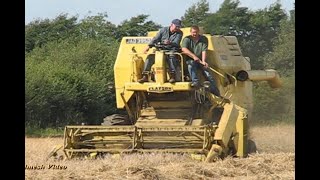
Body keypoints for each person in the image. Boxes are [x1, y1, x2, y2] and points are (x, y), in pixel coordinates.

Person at [138, 19, 183, 83]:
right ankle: (145, 76)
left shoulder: (180, 33)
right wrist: (148, 46)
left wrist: (169, 42)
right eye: (176, 26)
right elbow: (156, 39)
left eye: (179, 27)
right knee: (149, 57)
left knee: (172, 56)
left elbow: (176, 43)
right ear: (171, 25)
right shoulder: (163, 30)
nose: (177, 28)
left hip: (171, 50)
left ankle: (172, 76)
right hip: (160, 50)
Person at [181, 25, 221, 97]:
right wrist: (194, 57)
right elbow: (184, 49)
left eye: (196, 32)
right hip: (191, 60)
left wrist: (203, 61)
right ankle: (195, 82)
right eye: (193, 32)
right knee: (191, 65)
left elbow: (204, 50)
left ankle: (215, 91)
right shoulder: (186, 39)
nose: (194, 34)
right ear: (190, 32)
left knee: (208, 74)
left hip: (200, 60)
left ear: (198, 32)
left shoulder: (204, 39)